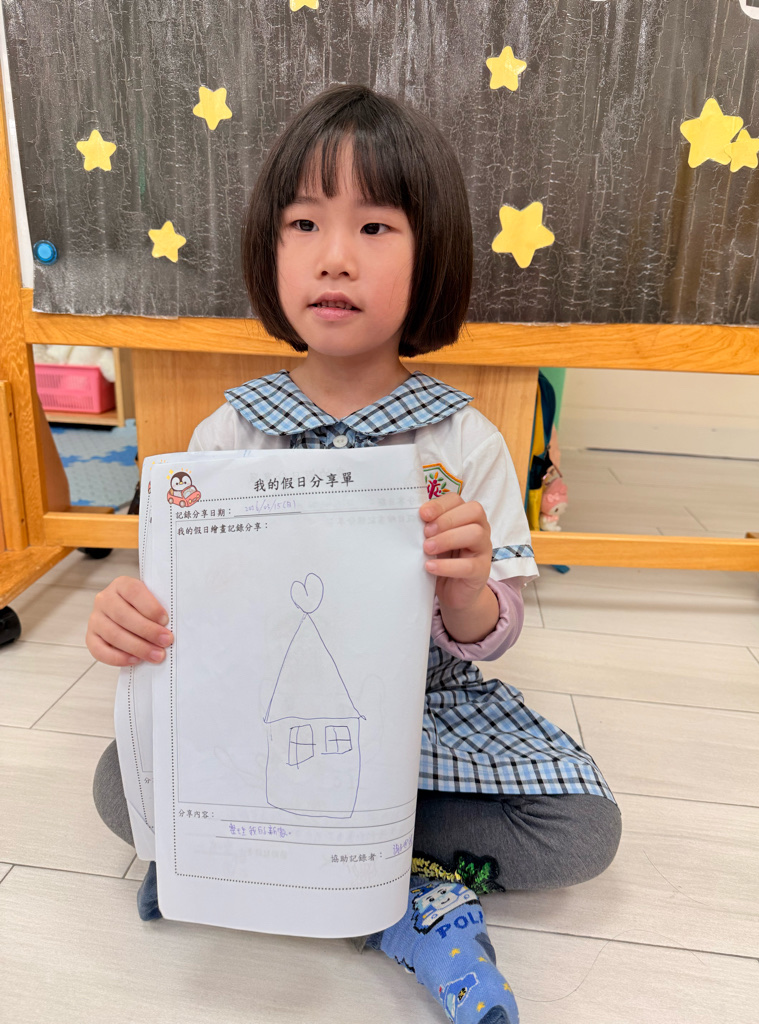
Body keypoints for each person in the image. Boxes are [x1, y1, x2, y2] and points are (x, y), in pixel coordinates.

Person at [87, 84, 621, 1024]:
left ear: (431, 257)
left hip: (425, 708)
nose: (335, 255)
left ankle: (346, 877)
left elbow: (494, 633)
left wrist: (466, 590)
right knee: (116, 788)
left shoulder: (463, 442)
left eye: (375, 227)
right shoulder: (227, 436)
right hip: (263, 708)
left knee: (580, 828)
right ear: (272, 249)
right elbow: (188, 617)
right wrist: (130, 618)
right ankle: (368, 884)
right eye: (304, 223)